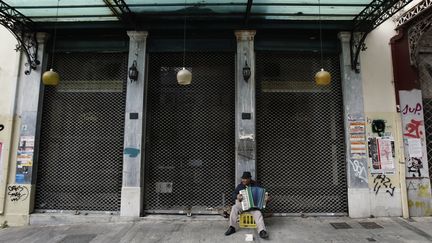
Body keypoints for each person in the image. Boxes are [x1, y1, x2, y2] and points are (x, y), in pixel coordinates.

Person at [224, 171, 269, 239]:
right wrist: (237, 196)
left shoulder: (256, 185)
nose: (243, 180)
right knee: (234, 207)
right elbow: (233, 194)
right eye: (243, 178)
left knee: (258, 214)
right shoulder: (240, 186)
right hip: (242, 206)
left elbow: (265, 193)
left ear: (249, 179)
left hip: (253, 208)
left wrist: (267, 197)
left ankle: (262, 231)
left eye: (245, 179)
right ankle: (232, 227)